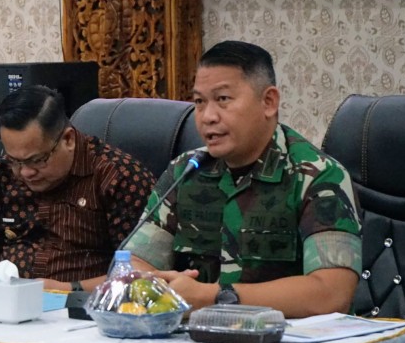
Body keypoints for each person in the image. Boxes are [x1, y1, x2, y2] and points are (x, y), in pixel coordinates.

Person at [127, 41, 362, 318]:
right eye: (200, 102)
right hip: (193, 342)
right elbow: (133, 263)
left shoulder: (318, 176)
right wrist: (159, 287)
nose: (208, 117)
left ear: (268, 102)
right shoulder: (185, 171)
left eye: (223, 99)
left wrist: (214, 297)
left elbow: (332, 294)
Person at [0, 86, 156, 292]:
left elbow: (144, 273)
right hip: (6, 306)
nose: (25, 172)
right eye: (15, 160)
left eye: (37, 160)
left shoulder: (118, 177)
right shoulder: (0, 176)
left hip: (85, 311)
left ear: (68, 139)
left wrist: (68, 288)